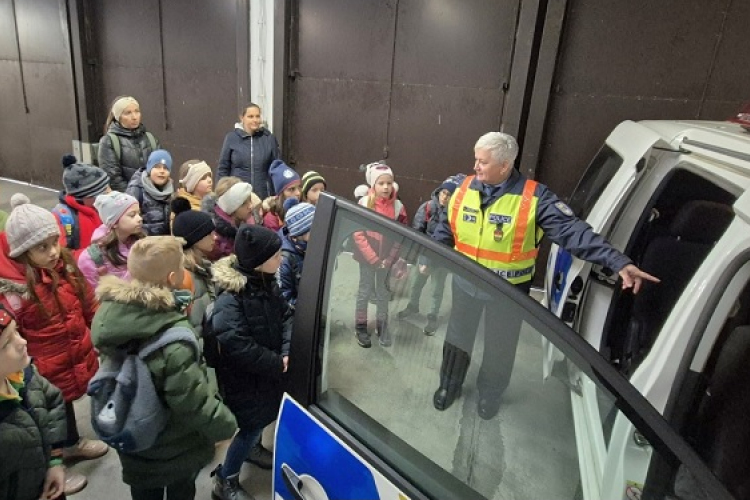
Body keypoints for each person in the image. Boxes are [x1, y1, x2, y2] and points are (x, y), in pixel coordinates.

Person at [431, 132, 659, 420]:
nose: (475, 166)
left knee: (500, 348)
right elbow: (446, 225)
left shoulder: (534, 198)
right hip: (466, 284)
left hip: (508, 293)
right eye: (476, 159)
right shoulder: (462, 188)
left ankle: (490, 394)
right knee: (457, 338)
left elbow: (573, 232)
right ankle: (448, 386)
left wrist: (617, 262)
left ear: (505, 165)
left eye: (483, 162)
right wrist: (432, 256)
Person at [91, 236, 237, 500]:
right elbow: (192, 401)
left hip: (133, 434)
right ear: (173, 278)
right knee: (181, 490)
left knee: (144, 491)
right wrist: (225, 425)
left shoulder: (112, 317)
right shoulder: (173, 339)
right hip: (174, 445)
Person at [0, 194, 106, 496]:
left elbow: (87, 302)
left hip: (70, 352)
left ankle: (71, 444)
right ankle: (55, 463)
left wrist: (97, 327)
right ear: (22, 252)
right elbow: (11, 332)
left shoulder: (64, 267)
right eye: (42, 247)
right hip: (43, 365)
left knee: (64, 406)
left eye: (54, 242)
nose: (52, 252)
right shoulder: (14, 291)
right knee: (45, 413)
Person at [211, 225, 293, 500]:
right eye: (276, 255)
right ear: (259, 262)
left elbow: (287, 316)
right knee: (250, 428)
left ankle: (254, 449)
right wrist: (275, 362)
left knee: (262, 418)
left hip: (268, 373)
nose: (281, 259)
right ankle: (226, 479)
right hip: (246, 381)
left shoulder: (266, 282)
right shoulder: (230, 300)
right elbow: (238, 345)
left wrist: (285, 351)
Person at [0, 304, 67, 500]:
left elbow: (53, 402)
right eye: (5, 344)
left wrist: (55, 462)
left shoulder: (24, 375)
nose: (22, 342)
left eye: (17, 332)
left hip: (47, 484)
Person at [352, 163, 408, 348]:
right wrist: (374, 260)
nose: (385, 187)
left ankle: (382, 325)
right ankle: (360, 326)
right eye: (381, 183)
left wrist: (389, 259)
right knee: (365, 291)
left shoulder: (398, 207)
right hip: (367, 259)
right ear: (372, 185)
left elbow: (401, 236)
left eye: (389, 183)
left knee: (383, 293)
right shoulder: (364, 204)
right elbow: (358, 233)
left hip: (387, 260)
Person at [398, 175, 462, 335]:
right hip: (424, 255)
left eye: (450, 195)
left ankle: (432, 316)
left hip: (442, 259)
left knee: (436, 290)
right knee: (416, 283)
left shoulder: (456, 213)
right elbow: (418, 234)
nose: (445, 197)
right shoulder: (427, 208)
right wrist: (423, 259)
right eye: (443, 193)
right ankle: (412, 306)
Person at [77, 191, 143, 290]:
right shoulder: (90, 259)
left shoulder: (141, 243)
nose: (140, 219)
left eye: (139, 213)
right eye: (132, 215)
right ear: (114, 222)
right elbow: (94, 295)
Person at [171, 197, 217, 335]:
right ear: (194, 239)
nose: (215, 237)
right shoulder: (185, 276)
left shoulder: (203, 267)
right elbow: (194, 325)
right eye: (209, 234)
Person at [217, 103, 281, 199]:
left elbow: (277, 168)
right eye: (250, 116)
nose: (255, 120)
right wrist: (221, 193)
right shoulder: (231, 138)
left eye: (257, 116)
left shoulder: (269, 139)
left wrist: (277, 195)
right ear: (242, 118)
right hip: (237, 195)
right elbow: (223, 168)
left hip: (263, 195)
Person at [51, 155, 111, 258]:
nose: (110, 193)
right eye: (104, 192)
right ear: (85, 197)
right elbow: (63, 254)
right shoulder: (63, 217)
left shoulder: (104, 207)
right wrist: (92, 256)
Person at [98, 95, 160, 192]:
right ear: (118, 117)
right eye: (128, 113)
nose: (134, 117)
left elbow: (162, 169)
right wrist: (133, 197)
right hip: (127, 201)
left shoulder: (150, 138)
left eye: (137, 111)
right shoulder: (109, 141)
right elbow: (113, 178)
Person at [126, 149, 174, 236]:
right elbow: (128, 221)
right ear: (149, 168)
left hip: (164, 243)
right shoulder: (136, 189)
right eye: (157, 167)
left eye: (165, 168)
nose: (162, 171)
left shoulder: (170, 191)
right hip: (144, 243)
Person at [279, 199, 316, 308]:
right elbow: (284, 299)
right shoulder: (284, 260)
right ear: (295, 238)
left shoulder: (311, 247)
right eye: (311, 237)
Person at [208, 180, 257, 259]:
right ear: (232, 208)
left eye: (250, 200)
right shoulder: (218, 240)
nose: (251, 206)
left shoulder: (249, 222)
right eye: (243, 203)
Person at [263, 160, 301, 231]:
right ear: (280, 194)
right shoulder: (271, 218)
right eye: (291, 189)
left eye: (299, 187)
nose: (298, 193)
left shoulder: (302, 209)